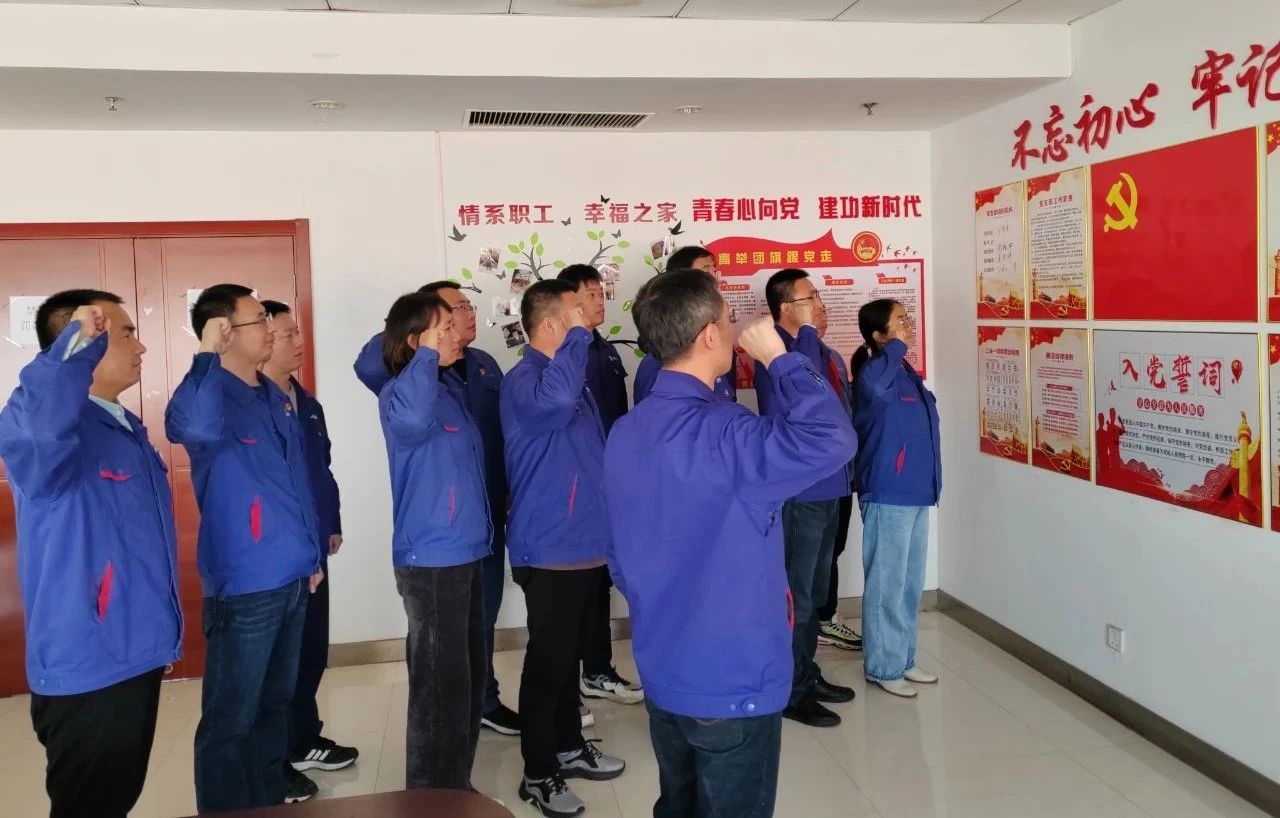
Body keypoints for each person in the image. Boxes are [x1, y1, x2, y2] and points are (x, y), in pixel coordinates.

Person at [605, 270, 855, 818]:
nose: (735, 325)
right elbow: (833, 438)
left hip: (664, 665)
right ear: (708, 336)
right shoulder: (729, 433)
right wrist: (782, 358)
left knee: (679, 803)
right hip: (733, 678)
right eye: (727, 317)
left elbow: (620, 556)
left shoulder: (627, 429)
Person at [0, 291, 182, 818]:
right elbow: (36, 426)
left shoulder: (119, 423)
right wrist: (73, 348)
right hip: (89, 661)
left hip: (134, 650)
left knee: (116, 797)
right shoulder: (52, 435)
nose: (141, 347)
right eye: (125, 334)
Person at [166, 284, 325, 812]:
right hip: (245, 584)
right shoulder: (210, 393)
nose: (272, 330)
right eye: (260, 320)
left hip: (293, 575)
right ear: (226, 331)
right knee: (231, 718)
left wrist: (311, 554)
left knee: (274, 705)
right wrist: (205, 355)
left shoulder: (271, 395)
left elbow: (296, 481)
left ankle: (267, 801)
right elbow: (189, 426)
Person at [353, 281, 520, 736]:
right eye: (453, 312)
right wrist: (421, 333)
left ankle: (482, 701)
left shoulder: (481, 364)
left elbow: (502, 433)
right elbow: (374, 365)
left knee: (479, 621)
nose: (467, 315)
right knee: (439, 651)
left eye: (467, 307)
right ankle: (444, 737)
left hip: (483, 514)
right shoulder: (407, 380)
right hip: (438, 536)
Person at [502, 280, 627, 817]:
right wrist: (579, 338)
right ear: (551, 324)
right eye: (576, 311)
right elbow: (554, 405)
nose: (588, 318)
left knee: (570, 655)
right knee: (548, 664)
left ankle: (570, 746)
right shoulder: (525, 381)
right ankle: (538, 772)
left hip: (584, 540)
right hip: (549, 545)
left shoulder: (568, 375)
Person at [378, 291, 491, 789]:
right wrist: (426, 356)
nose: (454, 334)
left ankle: (455, 785)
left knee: (465, 678)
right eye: (442, 328)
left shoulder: (447, 390)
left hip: (465, 549)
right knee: (439, 687)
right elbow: (410, 421)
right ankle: (430, 795)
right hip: (431, 558)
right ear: (414, 341)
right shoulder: (402, 393)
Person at [260, 301, 359, 802]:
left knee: (311, 651)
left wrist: (332, 523)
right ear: (262, 340)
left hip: (313, 547)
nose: (299, 342)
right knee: (279, 663)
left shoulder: (307, 403)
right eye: (287, 334)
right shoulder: (253, 404)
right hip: (277, 554)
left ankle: (302, 739)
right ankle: (273, 759)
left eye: (297, 332)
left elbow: (323, 470)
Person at [753, 269, 856, 728]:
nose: (818, 303)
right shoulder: (775, 354)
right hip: (802, 491)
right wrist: (809, 333)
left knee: (814, 592)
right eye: (808, 297)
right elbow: (806, 396)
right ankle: (791, 689)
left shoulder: (812, 349)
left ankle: (806, 673)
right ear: (784, 308)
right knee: (797, 594)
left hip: (832, 485)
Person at [556, 264, 642, 707]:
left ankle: (598, 669)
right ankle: (577, 679)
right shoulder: (568, 354)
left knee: (601, 578)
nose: (599, 300)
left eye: (600, 291)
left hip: (612, 477)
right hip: (584, 483)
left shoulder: (602, 348)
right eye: (589, 294)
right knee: (580, 584)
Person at [852, 299, 941, 699]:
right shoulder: (874, 371)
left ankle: (903, 658)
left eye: (908, 317)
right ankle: (883, 667)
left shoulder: (904, 372)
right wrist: (895, 347)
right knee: (886, 584)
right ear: (878, 335)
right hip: (888, 491)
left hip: (917, 490)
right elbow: (873, 388)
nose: (909, 324)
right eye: (900, 320)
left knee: (908, 584)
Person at [814, 306, 862, 652]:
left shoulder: (831, 356)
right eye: (809, 301)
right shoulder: (786, 359)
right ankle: (818, 618)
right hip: (814, 477)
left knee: (834, 546)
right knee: (812, 554)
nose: (820, 310)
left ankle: (825, 615)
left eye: (820, 301)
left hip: (842, 470)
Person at [633, 247, 736, 405]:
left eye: (714, 271)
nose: (715, 278)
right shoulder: (657, 366)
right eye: (706, 271)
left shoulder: (715, 354)